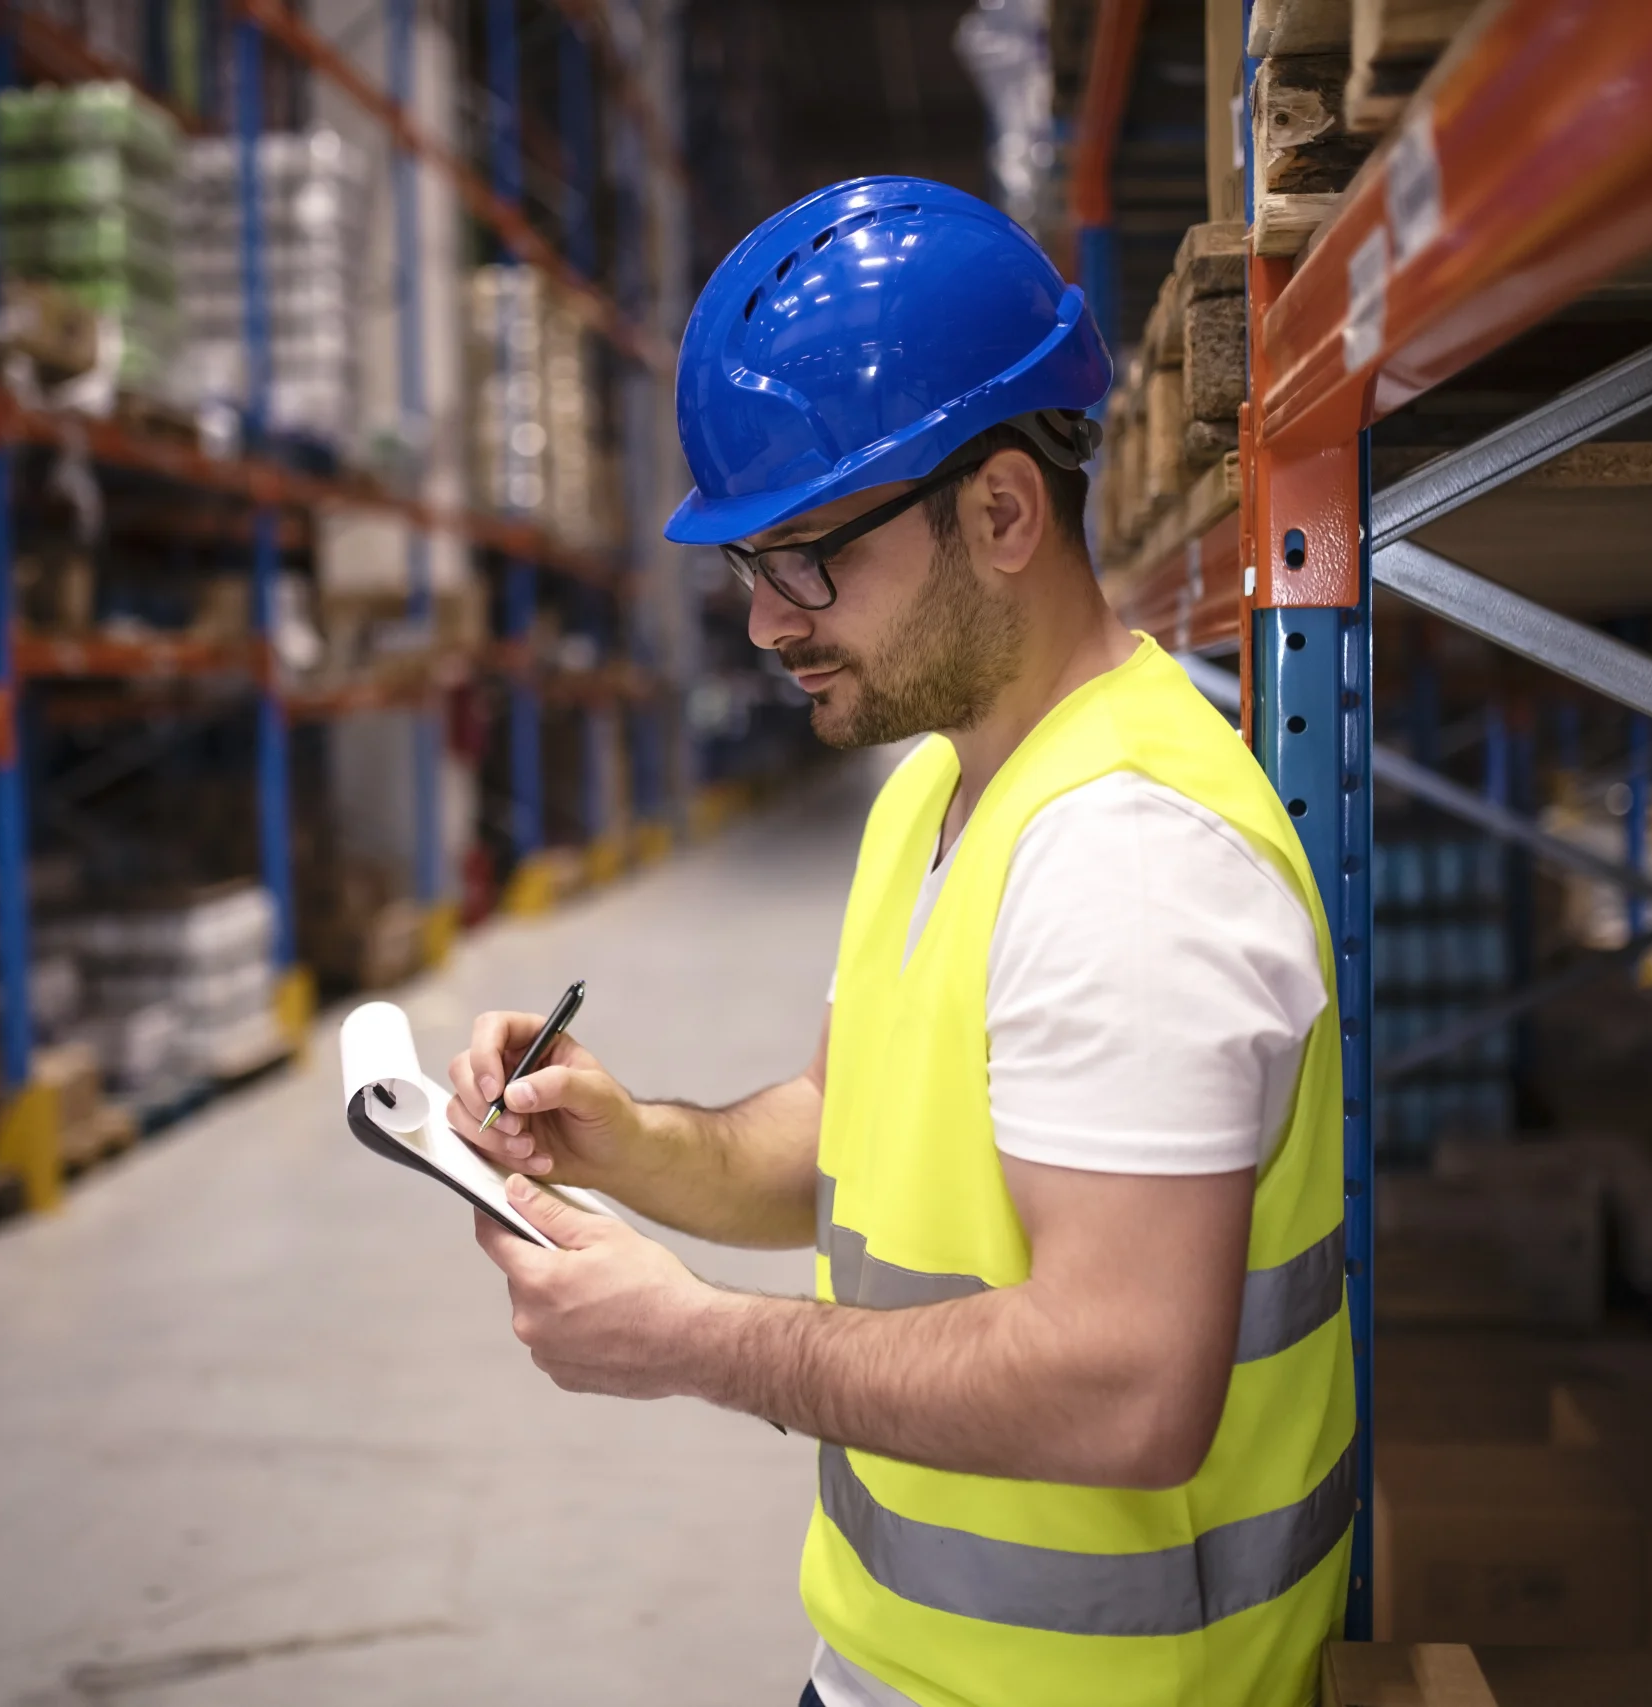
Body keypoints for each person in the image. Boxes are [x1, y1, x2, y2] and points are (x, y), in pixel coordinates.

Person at [445, 178, 1354, 1707]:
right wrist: (624, 1135)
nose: (766, 622)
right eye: (753, 567)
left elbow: (1126, 1384)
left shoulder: (1130, 864)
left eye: (810, 559)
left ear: (1001, 511)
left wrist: (698, 1341)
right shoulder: (939, 786)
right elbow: (842, 1131)